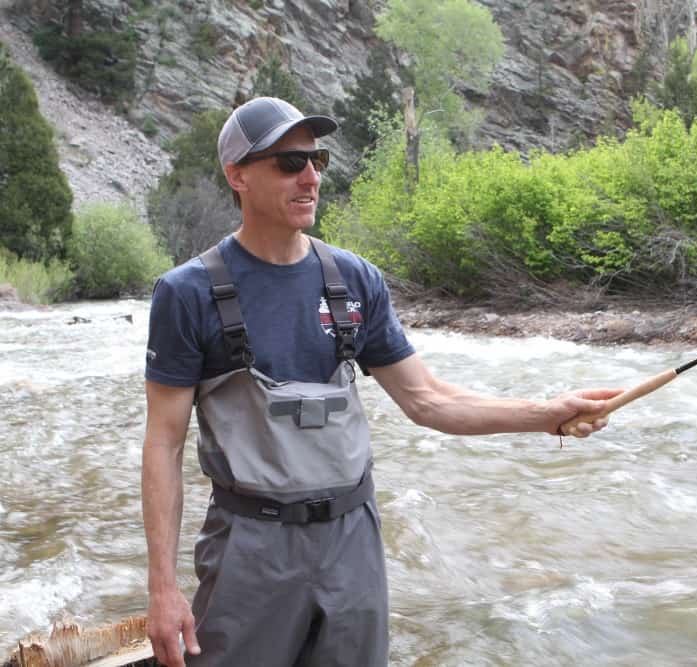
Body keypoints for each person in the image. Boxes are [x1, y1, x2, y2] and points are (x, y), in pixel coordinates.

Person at [141, 96, 620, 667]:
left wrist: (546, 415)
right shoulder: (186, 292)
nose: (311, 177)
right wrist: (163, 589)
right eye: (290, 163)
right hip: (248, 546)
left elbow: (428, 400)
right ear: (237, 175)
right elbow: (163, 444)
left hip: (354, 543)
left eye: (316, 160)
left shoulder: (354, 279)